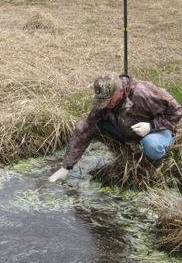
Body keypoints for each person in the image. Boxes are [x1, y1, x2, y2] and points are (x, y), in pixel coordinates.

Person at [48, 74, 182, 183]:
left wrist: (151, 126)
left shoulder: (143, 93)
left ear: (121, 91)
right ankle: (127, 153)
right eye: (102, 101)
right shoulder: (103, 102)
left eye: (109, 101)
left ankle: (152, 165)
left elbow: (176, 112)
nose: (105, 105)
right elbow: (83, 129)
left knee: (152, 146)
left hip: (157, 131)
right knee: (92, 126)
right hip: (129, 131)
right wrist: (66, 167)